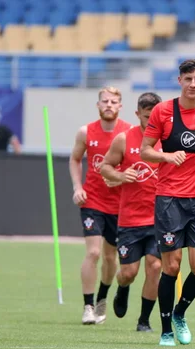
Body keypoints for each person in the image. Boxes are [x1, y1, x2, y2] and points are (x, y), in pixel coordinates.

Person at [140, 59, 195, 347]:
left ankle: (180, 313)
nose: (193, 84)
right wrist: (166, 156)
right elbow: (145, 151)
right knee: (171, 267)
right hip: (169, 199)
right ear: (179, 81)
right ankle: (166, 330)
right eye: (188, 78)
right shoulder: (162, 111)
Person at [100, 92, 163, 332]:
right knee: (128, 272)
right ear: (138, 114)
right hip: (130, 220)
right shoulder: (124, 139)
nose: (151, 120)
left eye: (155, 116)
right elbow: (105, 167)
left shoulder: (168, 141)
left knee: (155, 267)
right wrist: (120, 175)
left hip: (160, 219)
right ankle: (123, 288)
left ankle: (144, 321)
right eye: (147, 116)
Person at [69, 86, 132, 325]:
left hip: (120, 204)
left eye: (113, 101)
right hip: (93, 201)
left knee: (109, 257)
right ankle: (87, 306)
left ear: (120, 106)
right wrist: (77, 187)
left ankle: (102, 299)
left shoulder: (127, 133)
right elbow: (75, 158)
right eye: (104, 101)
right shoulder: (86, 132)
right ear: (98, 105)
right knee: (93, 252)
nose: (109, 105)